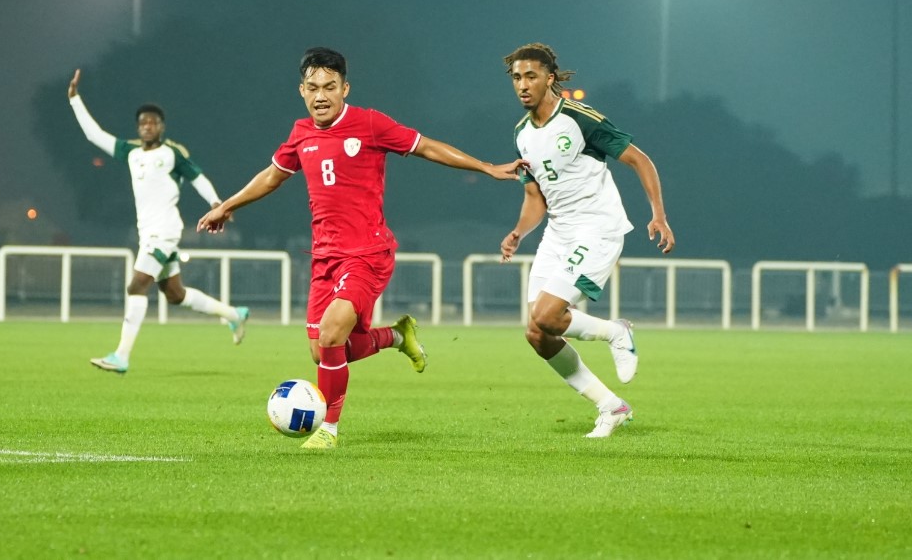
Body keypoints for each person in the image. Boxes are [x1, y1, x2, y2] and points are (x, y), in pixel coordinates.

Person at [198, 47, 525, 450]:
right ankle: (396, 337)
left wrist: (486, 167)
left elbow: (427, 146)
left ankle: (328, 430)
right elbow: (271, 177)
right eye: (313, 87)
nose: (321, 95)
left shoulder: (369, 124)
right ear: (302, 90)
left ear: (344, 88)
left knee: (334, 332)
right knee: (323, 352)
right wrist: (226, 207)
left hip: (367, 253)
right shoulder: (301, 133)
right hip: (324, 257)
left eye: (330, 87)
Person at [498, 42, 675, 439]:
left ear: (549, 78)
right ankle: (611, 406)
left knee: (547, 315)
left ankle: (617, 332)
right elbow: (534, 197)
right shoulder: (522, 134)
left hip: (597, 227)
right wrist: (518, 233)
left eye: (530, 76)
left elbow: (639, 159)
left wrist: (658, 214)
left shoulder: (579, 118)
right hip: (558, 233)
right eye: (516, 78)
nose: (522, 85)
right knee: (537, 332)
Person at [68, 69, 249, 374]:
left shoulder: (172, 154)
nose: (147, 126)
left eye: (153, 122)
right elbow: (93, 135)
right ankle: (233, 313)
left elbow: (198, 177)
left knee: (137, 284)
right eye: (142, 123)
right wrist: (75, 100)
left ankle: (121, 356)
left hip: (164, 232)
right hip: (148, 233)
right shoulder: (130, 153)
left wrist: (217, 203)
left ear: (162, 126)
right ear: (138, 128)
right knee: (175, 294)